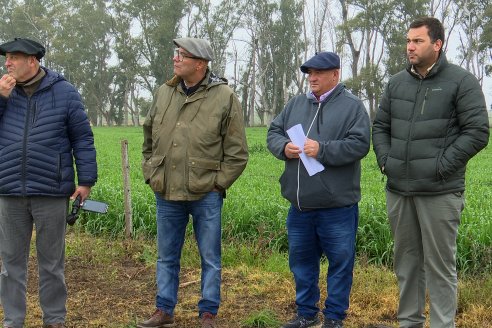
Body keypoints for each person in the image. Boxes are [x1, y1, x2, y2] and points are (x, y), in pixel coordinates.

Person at [372, 17, 489, 328]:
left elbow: (477, 131)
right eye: (408, 41)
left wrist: (441, 167)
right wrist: (386, 161)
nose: (410, 46)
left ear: (437, 45)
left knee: (440, 267)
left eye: (418, 41)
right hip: (399, 189)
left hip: (440, 191)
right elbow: (381, 127)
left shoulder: (461, 81)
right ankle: (409, 322)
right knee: (407, 264)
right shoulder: (396, 83)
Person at [139, 37, 248, 328]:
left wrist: (217, 184)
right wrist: (151, 172)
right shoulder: (165, 92)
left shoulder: (225, 96)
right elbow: (148, 136)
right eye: (175, 53)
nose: (175, 58)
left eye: (182, 55)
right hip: (166, 192)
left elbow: (237, 153)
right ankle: (164, 309)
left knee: (210, 257)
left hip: (206, 194)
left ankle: (208, 312)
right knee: (166, 257)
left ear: (200, 64)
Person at [267, 52, 370, 328]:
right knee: (301, 265)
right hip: (300, 206)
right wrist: (283, 147)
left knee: (340, 265)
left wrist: (322, 150)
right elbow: (273, 132)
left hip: (337, 207)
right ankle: (306, 314)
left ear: (334, 75)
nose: (311, 78)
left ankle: (334, 318)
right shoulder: (296, 104)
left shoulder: (352, 107)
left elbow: (360, 144)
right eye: (309, 73)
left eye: (318, 73)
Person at [0, 38, 97, 328]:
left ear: (33, 61)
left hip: (52, 191)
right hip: (9, 190)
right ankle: (13, 320)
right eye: (6, 58)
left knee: (51, 264)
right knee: (10, 265)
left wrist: (86, 180)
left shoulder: (65, 93)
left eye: (13, 57)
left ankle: (54, 320)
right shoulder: (3, 91)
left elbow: (82, 138)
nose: (7, 63)